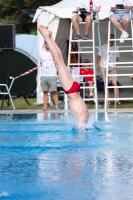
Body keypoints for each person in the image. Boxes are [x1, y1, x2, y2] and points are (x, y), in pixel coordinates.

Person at [38, 25, 89, 128]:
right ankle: (47, 37)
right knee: (58, 62)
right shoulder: (83, 120)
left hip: (75, 89)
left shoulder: (86, 116)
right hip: (72, 91)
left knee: (60, 62)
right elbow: (82, 122)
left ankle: (50, 38)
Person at [97, 33, 121, 105]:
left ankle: (118, 100)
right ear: (108, 39)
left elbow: (117, 58)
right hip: (104, 67)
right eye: (110, 38)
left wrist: (115, 65)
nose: (111, 40)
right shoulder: (103, 47)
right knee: (105, 84)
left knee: (115, 83)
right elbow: (99, 56)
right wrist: (99, 65)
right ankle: (108, 101)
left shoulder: (115, 48)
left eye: (112, 39)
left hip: (112, 67)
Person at [39, 41, 60, 111]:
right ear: (44, 45)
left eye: (48, 43)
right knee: (45, 91)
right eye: (46, 43)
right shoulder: (41, 53)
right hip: (44, 75)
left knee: (54, 91)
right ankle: (45, 107)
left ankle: (57, 107)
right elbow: (41, 63)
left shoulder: (54, 52)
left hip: (52, 75)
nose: (47, 45)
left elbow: (57, 62)